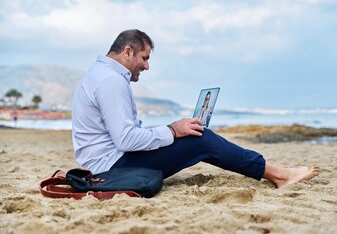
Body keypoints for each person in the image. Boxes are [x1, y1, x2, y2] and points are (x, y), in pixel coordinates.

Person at [72, 29, 319, 188]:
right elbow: (126, 140)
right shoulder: (111, 81)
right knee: (202, 139)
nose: (146, 66)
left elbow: (122, 136)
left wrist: (172, 131)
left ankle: (275, 172)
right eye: (144, 58)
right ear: (128, 51)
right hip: (112, 168)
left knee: (191, 133)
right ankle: (279, 175)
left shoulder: (101, 74)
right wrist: (173, 130)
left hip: (105, 162)